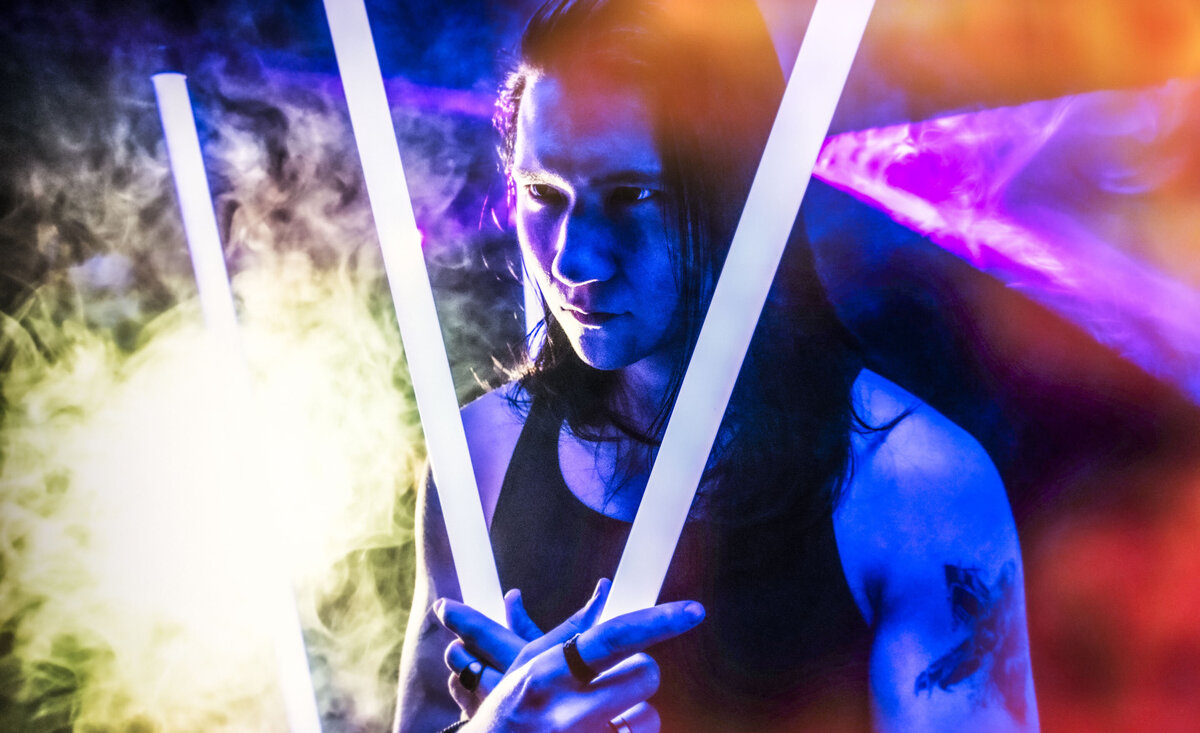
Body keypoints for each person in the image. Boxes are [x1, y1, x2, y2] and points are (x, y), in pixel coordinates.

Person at [394, 0, 1038, 730]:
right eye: (542, 194)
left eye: (632, 196)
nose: (574, 259)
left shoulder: (913, 491)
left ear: (739, 190)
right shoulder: (479, 458)